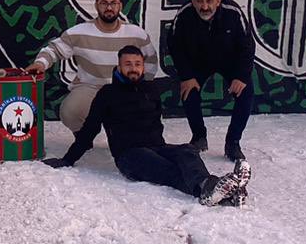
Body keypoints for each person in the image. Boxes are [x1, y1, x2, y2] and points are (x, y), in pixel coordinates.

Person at [43, 45, 250, 206]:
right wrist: (68, 159)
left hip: (157, 147)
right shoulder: (107, 94)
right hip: (129, 156)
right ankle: (213, 191)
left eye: (137, 64)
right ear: (119, 66)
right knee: (166, 168)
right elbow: (90, 130)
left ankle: (213, 189)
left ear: (143, 66)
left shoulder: (151, 89)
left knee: (187, 151)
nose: (133, 68)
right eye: (128, 64)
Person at [25, 0, 156, 131]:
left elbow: (150, 59)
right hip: (90, 87)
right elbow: (54, 49)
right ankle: (85, 136)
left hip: (124, 88)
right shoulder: (79, 32)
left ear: (120, 6)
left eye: (113, 3)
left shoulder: (137, 34)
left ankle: (123, 136)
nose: (109, 7)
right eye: (104, 3)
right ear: (96, 5)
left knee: (144, 110)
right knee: (70, 111)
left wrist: (143, 85)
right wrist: (40, 63)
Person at [169, 0, 256, 159]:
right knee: (188, 91)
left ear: (218, 0)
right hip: (198, 60)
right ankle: (199, 136)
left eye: (209, 0)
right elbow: (174, 45)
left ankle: (233, 142)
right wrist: (187, 76)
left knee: (246, 93)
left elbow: (247, 45)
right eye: (199, 1)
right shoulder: (184, 14)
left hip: (229, 59)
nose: (205, 6)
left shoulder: (233, 12)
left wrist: (241, 76)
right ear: (193, 1)